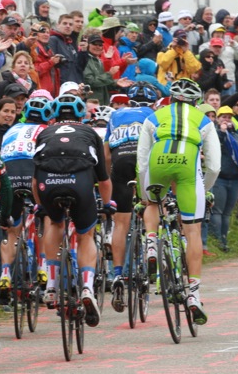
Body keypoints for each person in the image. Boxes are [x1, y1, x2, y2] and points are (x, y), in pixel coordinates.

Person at [136, 78, 221, 325]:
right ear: (196, 101)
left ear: (171, 98)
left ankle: (151, 244)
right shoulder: (204, 120)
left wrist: (144, 191)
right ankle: (193, 294)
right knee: (192, 230)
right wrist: (204, 189)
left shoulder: (154, 116)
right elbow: (214, 165)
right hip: (187, 166)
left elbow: (142, 161)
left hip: (157, 162)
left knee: (152, 203)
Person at [33, 93, 111, 328]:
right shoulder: (90, 133)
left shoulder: (45, 132)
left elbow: (34, 181)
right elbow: (104, 179)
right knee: (86, 234)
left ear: (54, 116)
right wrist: (107, 206)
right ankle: (87, 286)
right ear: (82, 115)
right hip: (80, 181)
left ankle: (51, 285)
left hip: (48, 182)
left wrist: (40, 206)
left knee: (54, 223)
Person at [105, 82, 157, 313]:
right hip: (143, 161)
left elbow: (106, 153)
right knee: (152, 206)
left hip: (120, 161)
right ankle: (152, 247)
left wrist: (107, 179)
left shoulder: (116, 114)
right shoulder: (153, 114)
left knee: (120, 223)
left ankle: (117, 274)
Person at [0, 97, 52, 294]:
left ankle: (5, 274)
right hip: (32, 173)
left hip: (9, 174)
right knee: (46, 218)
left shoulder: (12, 129)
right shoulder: (46, 130)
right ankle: (43, 266)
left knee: (12, 230)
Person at [211, 106, 238, 252]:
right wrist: (222, 131)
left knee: (227, 213)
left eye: (229, 117)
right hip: (220, 178)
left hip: (234, 178)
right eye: (223, 117)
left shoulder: (236, 136)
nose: (226, 120)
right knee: (218, 211)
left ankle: (224, 241)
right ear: (218, 118)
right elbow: (216, 145)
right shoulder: (216, 134)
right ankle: (217, 241)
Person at [30, 22, 61, 96]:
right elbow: (35, 71)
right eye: (43, 32)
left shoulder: (49, 51)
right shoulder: (33, 49)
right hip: (40, 94)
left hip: (50, 94)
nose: (46, 34)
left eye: (48, 32)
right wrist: (51, 63)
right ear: (36, 34)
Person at [50, 14, 80, 85]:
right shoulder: (53, 40)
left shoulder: (70, 44)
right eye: (65, 23)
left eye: (70, 24)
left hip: (73, 84)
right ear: (58, 25)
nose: (68, 26)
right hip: (60, 84)